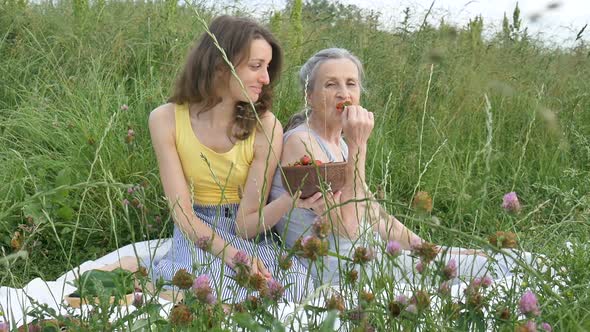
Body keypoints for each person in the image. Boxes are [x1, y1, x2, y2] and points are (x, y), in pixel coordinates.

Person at [269, 48, 528, 287]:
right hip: (337, 270)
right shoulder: (301, 142)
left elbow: (375, 215)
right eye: (330, 84)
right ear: (310, 96)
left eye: (351, 84)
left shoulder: (341, 144)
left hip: (368, 257)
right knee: (499, 270)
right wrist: (359, 144)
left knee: (514, 260)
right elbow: (347, 228)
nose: (343, 94)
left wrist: (431, 249)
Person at [106, 16, 322, 304]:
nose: (266, 79)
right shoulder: (165, 119)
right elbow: (183, 214)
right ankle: (154, 275)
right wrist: (231, 256)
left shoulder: (266, 125)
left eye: (268, 68)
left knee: (294, 287)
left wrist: (291, 200)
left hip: (245, 231)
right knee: (211, 288)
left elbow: (247, 225)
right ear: (220, 66)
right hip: (197, 226)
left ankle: (156, 274)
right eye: (256, 66)